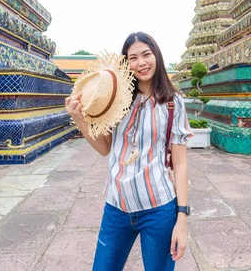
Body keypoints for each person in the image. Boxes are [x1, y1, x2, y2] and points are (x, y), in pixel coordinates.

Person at [65, 32, 193, 271]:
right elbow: (105, 148)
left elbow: (181, 163)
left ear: (156, 55)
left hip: (159, 208)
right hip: (116, 206)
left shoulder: (173, 102)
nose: (141, 63)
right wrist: (79, 119)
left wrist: (182, 218)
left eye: (146, 54)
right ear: (126, 63)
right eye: (133, 58)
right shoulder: (117, 100)